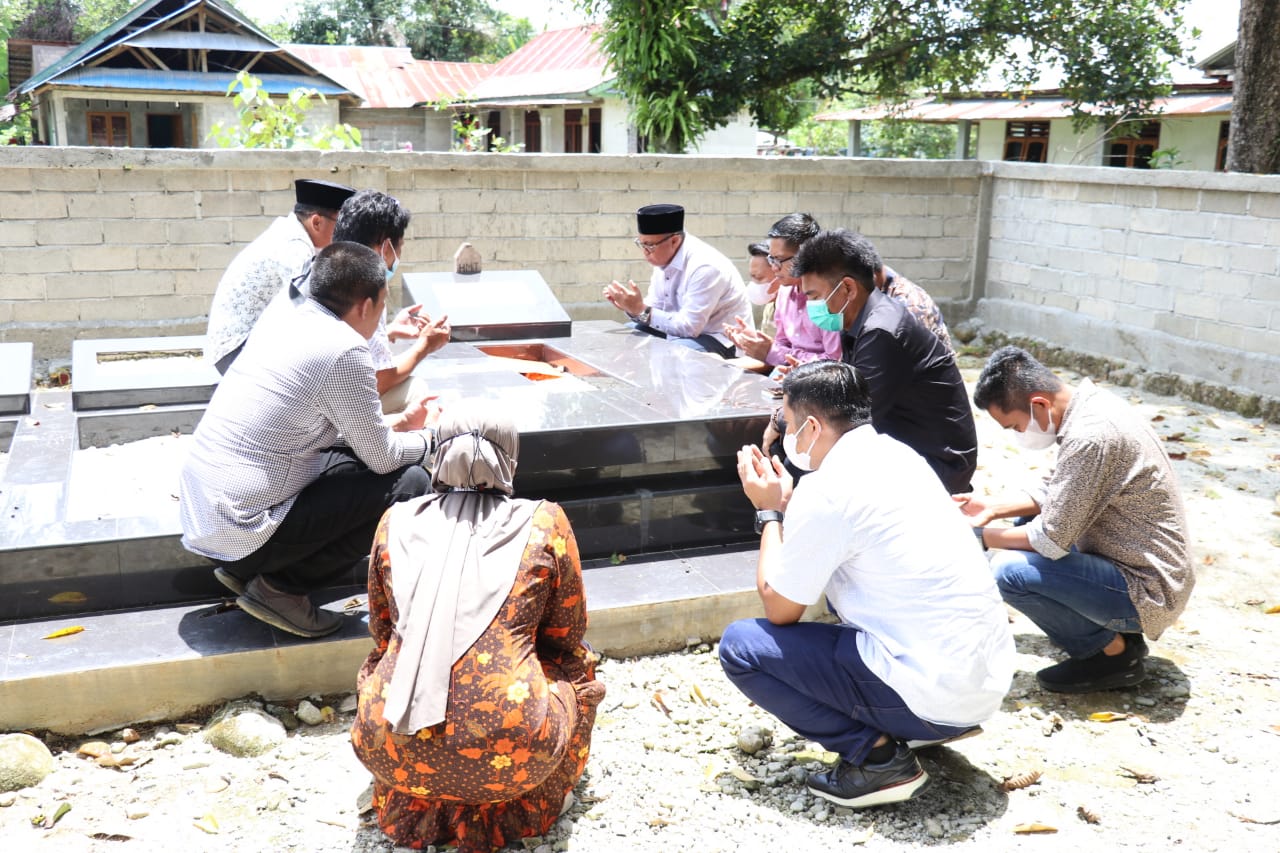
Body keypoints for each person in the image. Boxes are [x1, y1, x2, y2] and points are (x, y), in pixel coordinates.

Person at [719, 360, 1014, 809]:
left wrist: (769, 512)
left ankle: (877, 761)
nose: (786, 434)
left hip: (934, 697)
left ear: (812, 425)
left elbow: (779, 608)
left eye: (789, 423)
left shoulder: (829, 490)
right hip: (981, 687)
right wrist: (792, 504)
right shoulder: (899, 455)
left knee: (742, 647)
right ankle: (909, 729)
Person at [351, 402, 605, 853]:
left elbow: (383, 630)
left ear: (439, 454)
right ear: (511, 457)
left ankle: (423, 804)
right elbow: (566, 632)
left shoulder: (394, 521)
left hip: (389, 747)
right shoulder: (545, 522)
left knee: (383, 660)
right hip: (514, 761)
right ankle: (527, 801)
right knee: (574, 666)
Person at [179, 242, 436, 638]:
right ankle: (281, 589)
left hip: (206, 516)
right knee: (410, 483)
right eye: (383, 305)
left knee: (351, 461)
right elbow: (384, 460)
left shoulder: (287, 311)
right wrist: (434, 437)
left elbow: (352, 435)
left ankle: (245, 571)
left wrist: (401, 423)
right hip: (242, 527)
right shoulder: (345, 348)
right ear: (365, 306)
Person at [961, 346, 1195, 692]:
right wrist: (992, 508)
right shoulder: (1094, 408)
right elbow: (1060, 488)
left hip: (1147, 588)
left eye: (1015, 425)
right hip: (1137, 564)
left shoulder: (1091, 436)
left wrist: (979, 536)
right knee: (1022, 525)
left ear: (1038, 404)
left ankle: (1112, 655)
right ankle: (1115, 634)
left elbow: (1051, 540)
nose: (1018, 434)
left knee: (1008, 572)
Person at [788, 228, 978, 493]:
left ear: (847, 289)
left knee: (801, 468)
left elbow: (850, 420)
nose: (812, 307)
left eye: (815, 297)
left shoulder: (882, 331)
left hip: (935, 464)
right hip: (904, 444)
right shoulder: (856, 320)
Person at [205, 178, 355, 374]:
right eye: (341, 224)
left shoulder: (291, 234)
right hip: (236, 351)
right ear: (316, 222)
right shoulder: (295, 247)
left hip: (243, 347)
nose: (344, 233)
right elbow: (311, 308)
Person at [330, 190, 450, 414]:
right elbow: (379, 382)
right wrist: (425, 345)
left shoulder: (327, 269)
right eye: (399, 247)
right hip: (326, 422)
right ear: (386, 248)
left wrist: (390, 329)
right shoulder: (364, 288)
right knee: (417, 392)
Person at [602, 203, 752, 358]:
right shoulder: (664, 257)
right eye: (641, 244)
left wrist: (640, 309)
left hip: (720, 339)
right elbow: (656, 309)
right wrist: (632, 308)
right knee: (630, 335)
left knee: (675, 353)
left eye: (650, 246)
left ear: (674, 241)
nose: (645, 252)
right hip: (679, 333)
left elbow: (690, 327)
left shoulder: (705, 266)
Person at [725, 213, 842, 370]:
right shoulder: (784, 294)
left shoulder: (828, 298)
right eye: (771, 259)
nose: (774, 268)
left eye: (779, 260)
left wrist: (773, 353)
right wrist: (755, 343)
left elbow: (834, 362)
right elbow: (782, 345)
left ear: (804, 257)